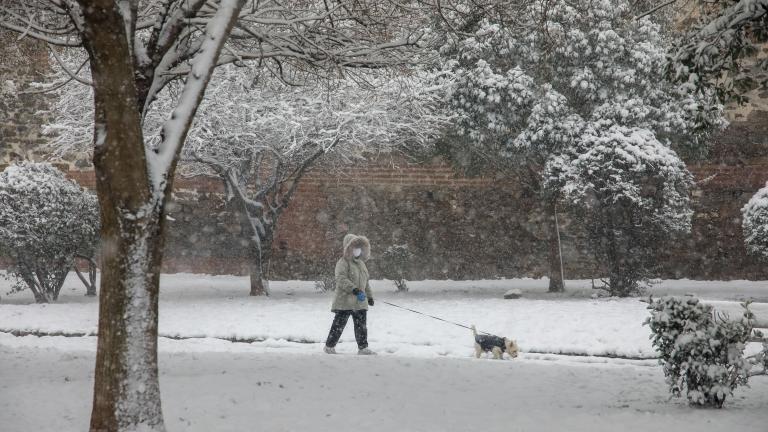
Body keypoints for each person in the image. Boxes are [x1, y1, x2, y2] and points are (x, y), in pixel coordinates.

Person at [324, 233, 376, 355]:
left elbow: (366, 282)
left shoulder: (362, 264)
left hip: (360, 302)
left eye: (359, 247)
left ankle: (363, 348)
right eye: (354, 247)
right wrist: (354, 290)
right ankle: (329, 346)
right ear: (348, 248)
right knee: (338, 325)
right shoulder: (343, 262)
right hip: (344, 301)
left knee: (361, 326)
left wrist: (369, 297)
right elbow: (341, 279)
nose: (357, 250)